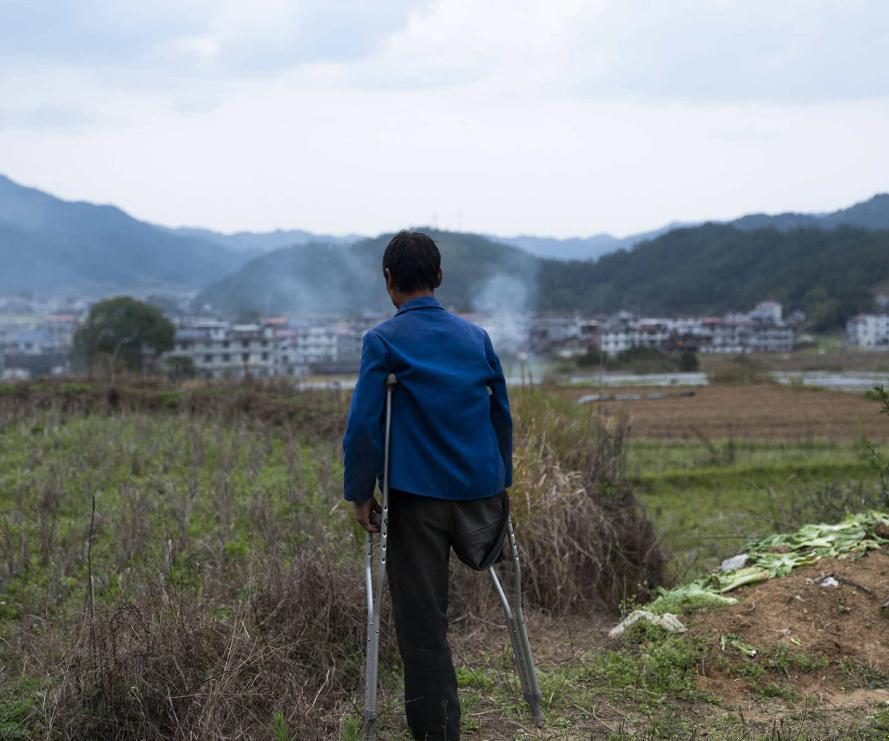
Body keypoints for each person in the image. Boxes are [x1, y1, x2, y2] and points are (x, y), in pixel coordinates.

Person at [343, 231, 513, 741]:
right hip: (483, 499)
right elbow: (500, 415)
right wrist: (500, 480)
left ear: (389, 281)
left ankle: (437, 732)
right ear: (439, 278)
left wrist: (359, 494)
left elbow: (363, 426)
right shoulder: (476, 338)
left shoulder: (384, 340)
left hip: (418, 499)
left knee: (422, 620)